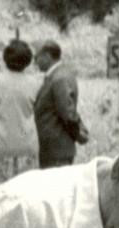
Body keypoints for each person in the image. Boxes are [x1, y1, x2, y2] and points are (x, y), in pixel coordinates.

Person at [0, 38, 39, 187]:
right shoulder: (35, 83)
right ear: (28, 60)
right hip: (26, 145)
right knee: (25, 191)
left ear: (5, 59)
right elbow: (37, 112)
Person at [33, 39, 89, 168]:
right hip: (54, 149)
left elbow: (68, 113)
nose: (35, 62)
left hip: (57, 150)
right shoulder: (57, 76)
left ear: (47, 56)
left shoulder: (59, 78)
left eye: (36, 57)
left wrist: (79, 135)